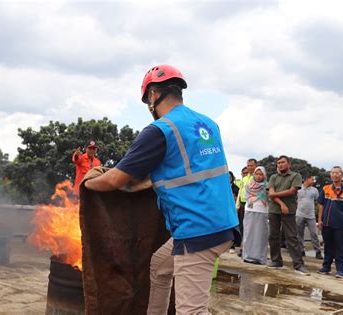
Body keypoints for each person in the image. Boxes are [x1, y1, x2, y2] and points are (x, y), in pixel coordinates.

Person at [84, 64, 239, 314]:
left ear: (154, 95)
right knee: (159, 267)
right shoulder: (208, 124)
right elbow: (186, 167)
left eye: (148, 99)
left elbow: (114, 180)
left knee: (192, 311)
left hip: (197, 232)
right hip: (222, 223)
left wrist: (87, 183)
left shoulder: (160, 130)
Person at [267, 155, 309, 275]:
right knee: (273, 236)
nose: (280, 164)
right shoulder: (273, 177)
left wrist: (275, 195)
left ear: (289, 164)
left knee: (291, 237)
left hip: (289, 211)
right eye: (278, 163)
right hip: (274, 210)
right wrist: (281, 204)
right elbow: (270, 193)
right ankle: (276, 261)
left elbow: (292, 191)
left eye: (283, 162)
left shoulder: (295, 176)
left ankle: (298, 264)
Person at [317, 166, 343, 278]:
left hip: (340, 224)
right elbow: (321, 205)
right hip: (327, 223)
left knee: (340, 247)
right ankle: (326, 267)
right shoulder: (325, 189)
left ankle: (340, 270)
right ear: (330, 175)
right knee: (328, 246)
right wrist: (319, 220)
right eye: (333, 173)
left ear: (341, 175)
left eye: (337, 173)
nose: (335, 175)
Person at [242, 166, 269, 265]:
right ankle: (247, 256)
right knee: (249, 234)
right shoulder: (249, 185)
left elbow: (269, 198)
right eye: (257, 174)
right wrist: (255, 197)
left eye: (261, 174)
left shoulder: (267, 186)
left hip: (262, 211)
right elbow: (245, 197)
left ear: (264, 175)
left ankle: (259, 258)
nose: (258, 176)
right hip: (249, 210)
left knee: (260, 235)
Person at [296, 175, 323, 259]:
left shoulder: (314, 190)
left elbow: (318, 201)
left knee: (314, 233)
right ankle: (301, 250)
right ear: (307, 179)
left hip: (311, 215)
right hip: (299, 214)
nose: (313, 181)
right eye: (312, 179)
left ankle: (318, 251)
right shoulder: (298, 189)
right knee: (299, 234)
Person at [236, 159, 257, 257]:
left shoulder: (257, 177)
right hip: (243, 205)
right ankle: (243, 248)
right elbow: (240, 192)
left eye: (251, 165)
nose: (249, 167)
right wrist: (238, 205)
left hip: (252, 205)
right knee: (242, 227)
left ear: (256, 166)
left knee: (250, 228)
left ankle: (250, 249)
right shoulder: (244, 179)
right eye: (248, 165)